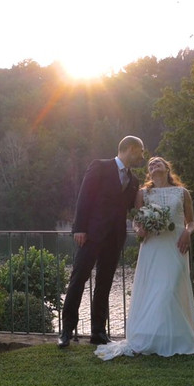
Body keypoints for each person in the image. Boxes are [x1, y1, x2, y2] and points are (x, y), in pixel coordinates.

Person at [94, 156, 194, 360]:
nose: (154, 165)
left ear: (167, 167)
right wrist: (141, 230)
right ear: (149, 172)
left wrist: (187, 233)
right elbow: (137, 221)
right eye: (151, 164)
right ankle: (155, 338)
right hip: (152, 246)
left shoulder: (182, 193)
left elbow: (191, 222)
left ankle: (176, 339)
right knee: (155, 290)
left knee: (171, 288)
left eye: (158, 162)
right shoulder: (142, 193)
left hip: (176, 245)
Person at [58, 136, 145, 348]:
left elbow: (134, 208)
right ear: (130, 149)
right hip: (91, 234)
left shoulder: (134, 181)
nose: (142, 156)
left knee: (104, 284)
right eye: (140, 152)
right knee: (78, 279)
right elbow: (84, 197)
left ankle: (98, 332)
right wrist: (79, 228)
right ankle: (67, 331)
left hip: (115, 238)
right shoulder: (100, 166)